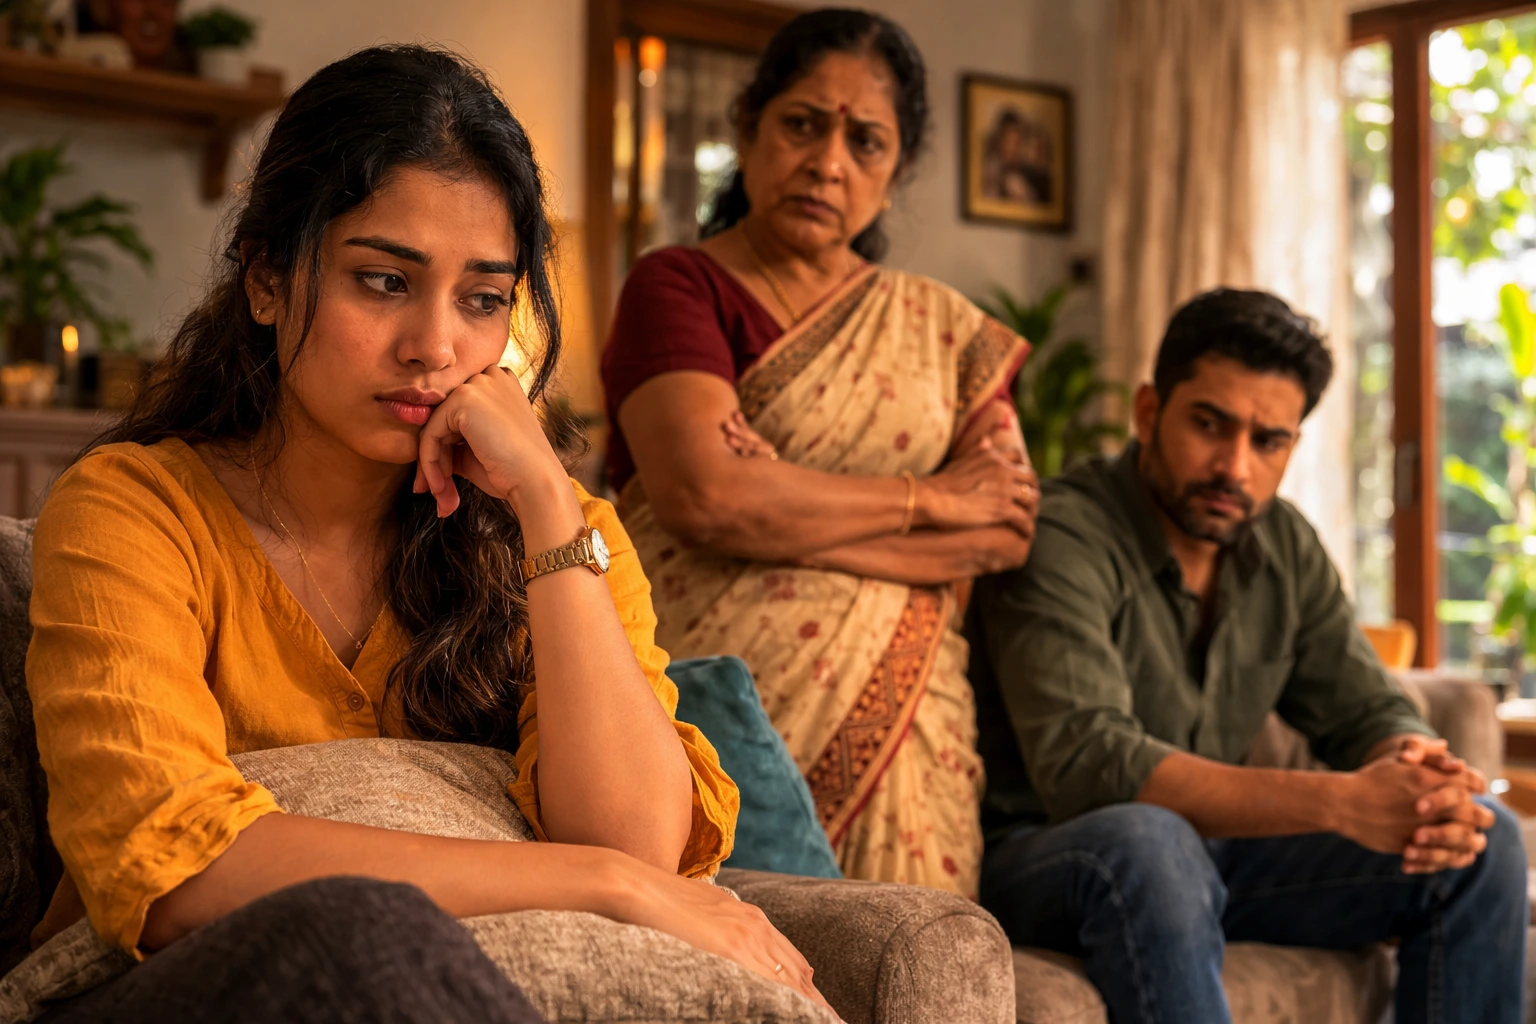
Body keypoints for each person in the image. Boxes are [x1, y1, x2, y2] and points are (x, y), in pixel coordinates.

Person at [24, 44, 834, 1023]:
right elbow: (174, 862)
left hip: (483, 988)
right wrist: (602, 889)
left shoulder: (565, 537)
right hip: (182, 993)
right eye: (383, 281)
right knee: (363, 934)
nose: (435, 347)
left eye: (484, 299)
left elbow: (633, 839)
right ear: (268, 278)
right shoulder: (132, 511)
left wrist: (543, 499)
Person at [967, 288, 1527, 1023]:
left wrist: (1424, 775)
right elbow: (1092, 764)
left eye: (1269, 441)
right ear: (1147, 412)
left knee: (1483, 840)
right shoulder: (1067, 535)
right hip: (1056, 860)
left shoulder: (1284, 543)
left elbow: (1364, 704)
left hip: (1214, 857)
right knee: (1151, 839)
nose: (1235, 466)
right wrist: (1343, 802)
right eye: (1209, 425)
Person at [601, 8, 1038, 899]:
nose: (828, 161)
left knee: (919, 968)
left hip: (910, 737)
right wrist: (932, 498)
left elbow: (1002, 531)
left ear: (895, 172)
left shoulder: (947, 335)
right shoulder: (677, 287)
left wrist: (790, 515)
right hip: (717, 711)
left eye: (866, 142)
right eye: (803, 123)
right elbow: (707, 500)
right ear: (750, 127)